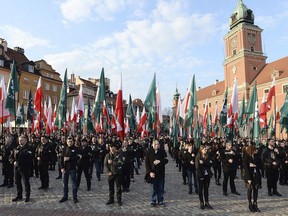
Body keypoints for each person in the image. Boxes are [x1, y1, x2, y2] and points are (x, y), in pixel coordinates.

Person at [145, 139, 168, 207]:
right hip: (153, 172)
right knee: (153, 188)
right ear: (152, 145)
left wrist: (160, 161)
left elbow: (166, 160)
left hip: (160, 172)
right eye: (155, 144)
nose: (156, 145)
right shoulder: (149, 152)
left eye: (158, 144)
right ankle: (153, 200)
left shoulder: (162, 151)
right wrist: (149, 172)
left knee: (160, 188)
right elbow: (147, 163)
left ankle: (160, 200)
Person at [12, 134, 33, 202]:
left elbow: (30, 159)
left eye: (21, 140)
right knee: (17, 182)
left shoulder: (29, 148)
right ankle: (19, 195)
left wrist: (20, 162)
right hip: (16, 168)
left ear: (25, 140)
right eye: (19, 140)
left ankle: (27, 196)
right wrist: (13, 161)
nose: (20, 141)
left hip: (25, 168)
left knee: (26, 182)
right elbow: (11, 157)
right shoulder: (16, 148)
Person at [59, 136, 81, 203]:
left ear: (73, 142)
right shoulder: (64, 149)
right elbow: (61, 159)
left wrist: (70, 158)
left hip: (72, 169)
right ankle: (65, 196)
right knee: (64, 184)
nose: (70, 143)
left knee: (74, 184)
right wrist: (62, 167)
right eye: (68, 141)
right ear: (66, 142)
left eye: (71, 141)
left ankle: (75, 197)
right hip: (65, 169)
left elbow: (79, 157)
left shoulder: (76, 149)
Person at [242, 145, 261, 212]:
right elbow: (246, 168)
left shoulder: (256, 156)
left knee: (256, 189)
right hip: (249, 175)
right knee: (250, 189)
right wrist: (248, 178)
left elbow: (261, 164)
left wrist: (254, 165)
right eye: (254, 150)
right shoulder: (246, 157)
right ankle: (250, 204)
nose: (256, 151)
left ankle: (255, 203)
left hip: (256, 175)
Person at [195, 145, 213, 210]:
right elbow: (197, 167)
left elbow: (210, 164)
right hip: (201, 175)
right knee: (200, 189)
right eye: (204, 149)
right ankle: (201, 202)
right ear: (201, 150)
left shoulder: (208, 156)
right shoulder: (198, 157)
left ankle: (207, 202)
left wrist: (203, 163)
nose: (206, 150)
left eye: (206, 149)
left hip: (207, 175)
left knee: (206, 189)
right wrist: (200, 176)